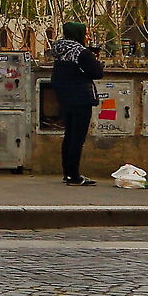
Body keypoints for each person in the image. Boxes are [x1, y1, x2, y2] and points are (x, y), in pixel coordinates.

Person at [50, 21, 107, 185]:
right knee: (77, 137)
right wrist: (95, 59)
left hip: (64, 97)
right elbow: (97, 72)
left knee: (69, 135)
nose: (87, 36)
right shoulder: (81, 52)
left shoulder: (60, 49)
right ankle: (74, 176)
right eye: (86, 33)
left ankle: (67, 173)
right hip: (80, 98)